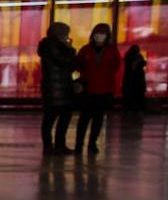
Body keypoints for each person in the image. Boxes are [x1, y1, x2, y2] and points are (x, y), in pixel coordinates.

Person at [74, 23, 120, 154]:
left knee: (98, 119)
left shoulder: (112, 51)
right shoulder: (85, 50)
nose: (99, 36)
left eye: (103, 34)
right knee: (84, 118)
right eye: (97, 33)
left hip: (104, 90)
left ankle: (92, 144)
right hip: (88, 89)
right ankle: (79, 144)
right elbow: (78, 65)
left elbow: (115, 67)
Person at [38, 21, 76, 154]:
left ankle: (57, 145)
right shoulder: (51, 46)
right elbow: (65, 61)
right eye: (65, 33)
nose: (67, 36)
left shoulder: (54, 47)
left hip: (61, 87)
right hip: (54, 88)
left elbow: (71, 65)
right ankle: (50, 146)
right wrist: (70, 49)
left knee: (61, 117)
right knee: (51, 118)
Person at [123, 45, 147, 113]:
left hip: (131, 79)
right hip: (137, 79)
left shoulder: (129, 56)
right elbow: (143, 63)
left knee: (131, 95)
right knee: (137, 94)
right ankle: (136, 108)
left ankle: (130, 108)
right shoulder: (138, 56)